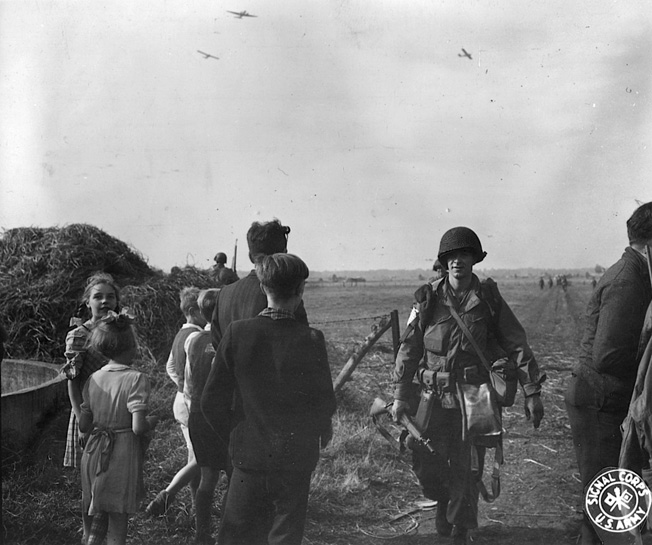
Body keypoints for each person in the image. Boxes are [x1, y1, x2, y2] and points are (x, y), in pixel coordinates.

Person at [391, 226, 545, 545]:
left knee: (468, 468)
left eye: (463, 255)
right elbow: (408, 349)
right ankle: (443, 498)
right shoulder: (428, 299)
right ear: (444, 262)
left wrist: (532, 391)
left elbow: (516, 343)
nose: (457, 261)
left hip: (474, 399)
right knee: (423, 457)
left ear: (474, 260)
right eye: (450, 256)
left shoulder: (487, 298)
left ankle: (461, 528)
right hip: (432, 399)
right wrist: (399, 396)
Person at [202, 253, 336, 545]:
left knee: (236, 535)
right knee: (285, 536)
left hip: (247, 458)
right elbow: (326, 403)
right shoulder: (312, 339)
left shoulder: (238, 333)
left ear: (263, 288)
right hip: (295, 461)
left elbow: (211, 399)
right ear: (301, 290)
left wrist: (234, 436)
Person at [565, 202, 652, 545]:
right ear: (649, 244)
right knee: (608, 502)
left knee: (606, 499)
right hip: (599, 400)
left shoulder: (636, 273)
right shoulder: (629, 280)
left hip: (602, 397)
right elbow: (608, 356)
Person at [79, 310, 158, 545]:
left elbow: (84, 423)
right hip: (120, 453)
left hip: (94, 450)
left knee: (96, 504)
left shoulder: (93, 378)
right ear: (131, 347)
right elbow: (137, 427)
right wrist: (152, 421)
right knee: (118, 515)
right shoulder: (135, 379)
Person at [146, 288, 205, 516]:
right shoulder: (195, 337)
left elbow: (170, 366)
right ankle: (166, 496)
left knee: (194, 456)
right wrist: (188, 388)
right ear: (192, 311)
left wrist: (179, 384)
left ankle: (194, 505)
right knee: (201, 457)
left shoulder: (181, 333)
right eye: (202, 310)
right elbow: (193, 373)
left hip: (181, 399)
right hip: (191, 403)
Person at [210, 219, 308, 349]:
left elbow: (217, 346)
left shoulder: (224, 294)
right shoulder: (285, 293)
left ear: (251, 256)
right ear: (284, 254)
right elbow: (302, 345)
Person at [62, 273, 121, 472]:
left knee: (114, 472)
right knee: (93, 475)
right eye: (98, 297)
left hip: (116, 409)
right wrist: (82, 422)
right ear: (87, 302)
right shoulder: (79, 335)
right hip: (90, 413)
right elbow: (72, 382)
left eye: (110, 296)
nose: (105, 301)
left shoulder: (120, 333)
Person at [184, 288, 230, 545]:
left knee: (207, 476)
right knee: (233, 478)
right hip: (222, 415)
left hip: (198, 413)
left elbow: (189, 382)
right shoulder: (230, 338)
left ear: (202, 312)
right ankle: (227, 533)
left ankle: (202, 534)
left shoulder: (194, 340)